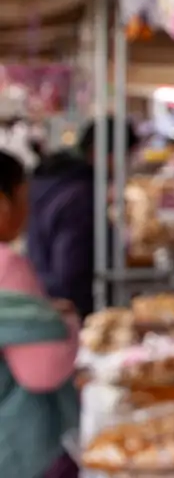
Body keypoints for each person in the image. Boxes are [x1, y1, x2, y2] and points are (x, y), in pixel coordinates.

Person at [0, 150, 81, 478]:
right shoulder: (8, 267)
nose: (28, 210)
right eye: (23, 198)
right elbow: (41, 370)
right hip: (21, 447)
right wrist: (66, 325)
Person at [26, 118, 136, 320]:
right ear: (101, 152)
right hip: (68, 311)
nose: (127, 165)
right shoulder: (82, 195)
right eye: (125, 156)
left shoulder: (58, 182)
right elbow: (72, 269)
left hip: (46, 298)